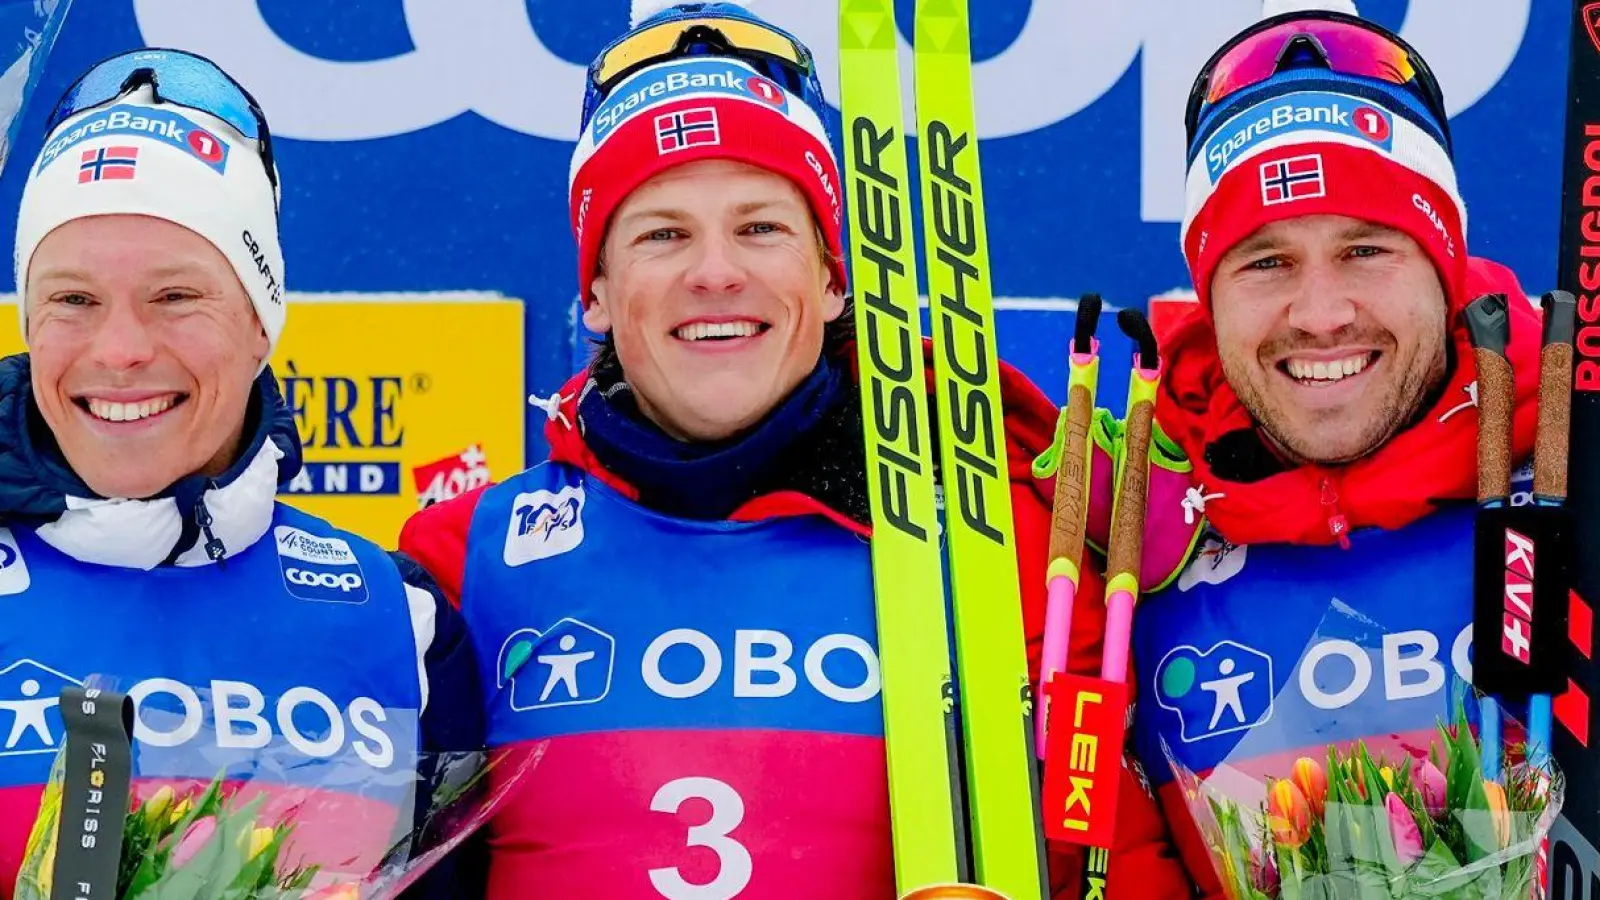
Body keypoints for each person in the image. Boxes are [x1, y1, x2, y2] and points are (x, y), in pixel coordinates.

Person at [399, 3, 1192, 897]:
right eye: (662, 233)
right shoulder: (460, 560)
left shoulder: (989, 542)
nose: (714, 272)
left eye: (761, 227)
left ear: (829, 278)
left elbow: (1117, 864)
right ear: (594, 290)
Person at [0, 49, 482, 896]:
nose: (120, 350)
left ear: (263, 323)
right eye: (73, 300)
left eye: (176, 297)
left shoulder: (397, 623)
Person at [1122, 1, 1543, 894]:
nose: (1319, 316)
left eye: (1364, 250)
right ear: (1207, 291)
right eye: (1265, 262)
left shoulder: (1569, 462)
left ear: (1445, 264)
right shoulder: (1126, 525)